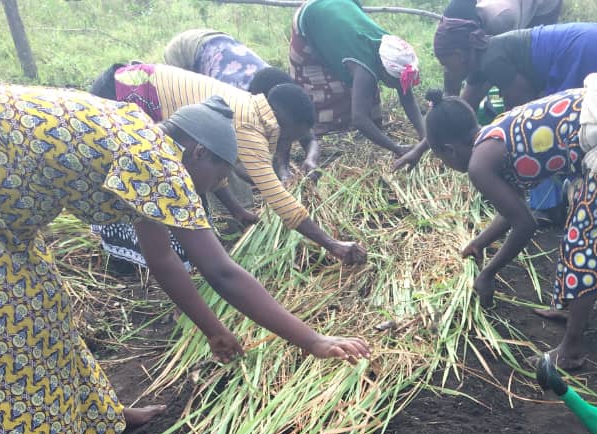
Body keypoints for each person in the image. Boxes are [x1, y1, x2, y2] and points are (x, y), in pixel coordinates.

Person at [0, 85, 370, 434]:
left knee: (41, 301)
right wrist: (313, 340)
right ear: (198, 152)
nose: (212, 188)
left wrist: (214, 330)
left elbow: (162, 259)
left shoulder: (147, 148)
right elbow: (221, 271)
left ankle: (98, 416)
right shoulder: (157, 163)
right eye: (218, 176)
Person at [422, 70, 597, 370]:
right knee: (586, 227)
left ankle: (571, 349)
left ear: (449, 150)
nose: (446, 165)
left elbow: (525, 224)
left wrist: (488, 273)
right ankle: (575, 311)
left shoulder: (479, 165)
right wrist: (480, 242)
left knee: (586, 242)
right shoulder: (493, 134)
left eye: (441, 160)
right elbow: (513, 210)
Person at [90, 63, 364, 268]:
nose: (288, 144)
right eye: (291, 137)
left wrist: (236, 209)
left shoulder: (250, 108)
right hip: (125, 96)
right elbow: (280, 200)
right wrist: (333, 244)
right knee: (140, 192)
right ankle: (130, 262)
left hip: (129, 81)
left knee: (182, 195)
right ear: (284, 124)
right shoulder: (250, 128)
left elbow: (213, 167)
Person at [402, 22, 597, 222]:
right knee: (596, 122)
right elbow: (449, 114)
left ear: (459, 54)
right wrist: (418, 150)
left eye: (445, 62)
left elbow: (523, 111)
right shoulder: (481, 61)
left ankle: (557, 204)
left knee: (573, 129)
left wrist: (495, 166)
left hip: (582, 50)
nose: (446, 69)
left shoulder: (492, 60)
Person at [162, 31, 320, 179]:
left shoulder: (285, 98)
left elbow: (305, 137)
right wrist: (270, 182)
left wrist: (310, 160)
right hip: (186, 50)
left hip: (219, 43)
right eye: (286, 139)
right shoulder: (233, 105)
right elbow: (234, 161)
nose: (287, 144)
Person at [288, 0, 424, 156]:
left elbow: (408, 99)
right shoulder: (365, 69)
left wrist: (426, 137)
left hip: (341, 8)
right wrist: (398, 149)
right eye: (397, 81)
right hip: (312, 14)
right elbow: (359, 119)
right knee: (323, 89)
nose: (400, 85)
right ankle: (321, 141)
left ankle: (361, 131)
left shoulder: (392, 51)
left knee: (363, 92)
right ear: (385, 71)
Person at [435, 0, 563, 94]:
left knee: (530, 66)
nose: (446, 68)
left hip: (543, 5)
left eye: (445, 64)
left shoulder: (499, 21)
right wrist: (450, 98)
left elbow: (494, 66)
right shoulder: (454, 25)